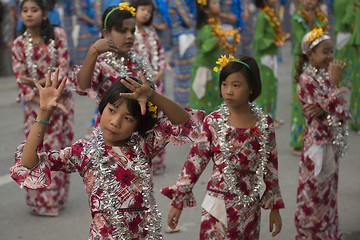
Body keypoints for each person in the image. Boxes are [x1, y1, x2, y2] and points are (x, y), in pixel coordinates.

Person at [10, 69, 205, 239]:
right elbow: (29, 164)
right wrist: (44, 113)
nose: (115, 122)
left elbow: (184, 122)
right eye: (111, 110)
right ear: (102, 108)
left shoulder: (145, 144)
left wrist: (153, 96)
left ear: (139, 124)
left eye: (127, 118)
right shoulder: (83, 152)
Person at [162, 55, 284, 239]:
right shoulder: (213, 122)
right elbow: (194, 163)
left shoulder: (264, 124)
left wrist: (274, 208)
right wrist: (177, 203)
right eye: (224, 84)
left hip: (249, 208)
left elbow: (271, 167)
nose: (228, 91)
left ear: (252, 88)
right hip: (216, 206)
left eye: (236, 85)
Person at [11, 0, 74, 216]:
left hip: (62, 102)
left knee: (60, 151)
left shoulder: (58, 36)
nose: (29, 14)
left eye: (34, 10)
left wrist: (52, 98)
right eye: (25, 10)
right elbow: (21, 78)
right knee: (35, 152)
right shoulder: (18, 43)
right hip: (35, 109)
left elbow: (63, 68)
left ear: (45, 14)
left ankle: (58, 198)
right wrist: (43, 103)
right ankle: (41, 203)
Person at [294, 28, 351, 239]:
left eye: (331, 51)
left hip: (330, 141)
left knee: (328, 191)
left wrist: (327, 103)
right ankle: (310, 234)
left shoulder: (323, 75)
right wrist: (334, 87)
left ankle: (327, 232)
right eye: (325, 52)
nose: (330, 57)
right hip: (317, 144)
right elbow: (327, 107)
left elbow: (339, 107)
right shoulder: (307, 79)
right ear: (310, 54)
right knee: (313, 193)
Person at [70, 3, 154, 128]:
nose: (129, 36)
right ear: (107, 34)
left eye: (132, 31)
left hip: (136, 130)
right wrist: (93, 52)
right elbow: (82, 87)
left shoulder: (137, 61)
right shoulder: (102, 64)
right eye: (122, 30)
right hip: (110, 130)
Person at [131, 0, 167, 174]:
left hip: (156, 83)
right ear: (134, 9)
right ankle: (139, 159)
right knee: (141, 120)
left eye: (149, 11)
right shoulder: (130, 33)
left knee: (157, 120)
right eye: (142, 9)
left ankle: (156, 160)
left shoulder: (152, 32)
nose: (145, 13)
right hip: (139, 84)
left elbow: (160, 52)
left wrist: (160, 70)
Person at [290, 0, 328, 155]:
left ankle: (315, 136)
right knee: (300, 99)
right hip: (302, 62)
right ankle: (298, 141)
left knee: (317, 98)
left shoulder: (321, 17)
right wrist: (311, 24)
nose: (309, 1)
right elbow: (302, 42)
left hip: (318, 62)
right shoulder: (297, 19)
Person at [252, 0, 289, 124]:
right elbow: (258, 39)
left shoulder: (272, 13)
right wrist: (271, 40)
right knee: (265, 88)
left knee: (272, 86)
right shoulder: (262, 16)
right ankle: (263, 118)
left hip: (271, 55)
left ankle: (271, 116)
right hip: (264, 57)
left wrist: (279, 37)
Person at [189, 0, 223, 114]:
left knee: (213, 101)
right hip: (204, 70)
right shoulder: (208, 29)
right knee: (202, 104)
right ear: (207, 10)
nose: (218, 4)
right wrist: (219, 37)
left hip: (212, 69)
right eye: (214, 3)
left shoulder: (214, 27)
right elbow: (205, 48)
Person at [333, 0, 360, 133]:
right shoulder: (351, 2)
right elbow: (347, 19)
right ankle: (355, 121)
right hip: (351, 41)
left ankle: (352, 120)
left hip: (344, 38)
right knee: (356, 83)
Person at [167, 0, 197, 106]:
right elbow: (188, 21)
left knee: (181, 76)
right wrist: (192, 17)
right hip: (185, 42)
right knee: (185, 77)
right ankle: (186, 109)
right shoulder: (177, 2)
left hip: (180, 42)